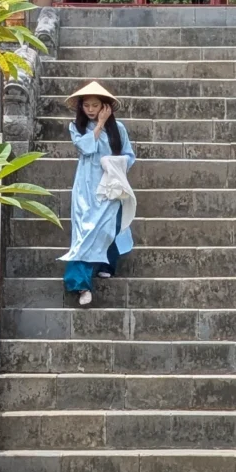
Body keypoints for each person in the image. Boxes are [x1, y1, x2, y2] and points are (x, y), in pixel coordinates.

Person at [63, 82, 135, 305]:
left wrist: (114, 164)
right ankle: (81, 285)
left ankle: (106, 264)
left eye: (95, 105)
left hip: (110, 186)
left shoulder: (119, 129)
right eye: (87, 105)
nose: (91, 110)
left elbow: (129, 156)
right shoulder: (77, 127)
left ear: (105, 106)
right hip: (85, 187)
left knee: (108, 227)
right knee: (84, 233)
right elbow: (85, 148)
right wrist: (100, 125)